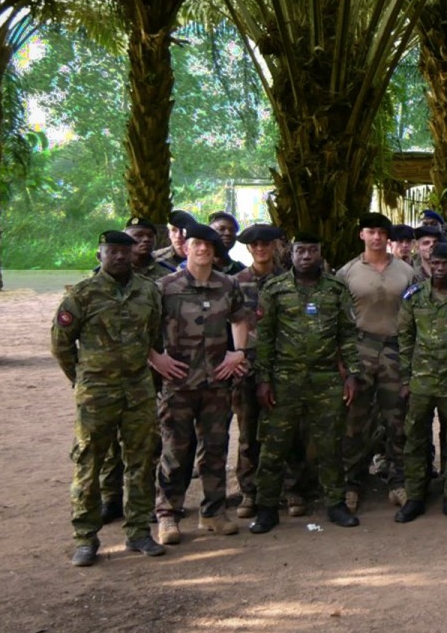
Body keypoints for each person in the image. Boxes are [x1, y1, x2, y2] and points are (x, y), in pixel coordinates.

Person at [52, 230, 169, 566]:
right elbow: (61, 344)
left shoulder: (147, 291)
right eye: (112, 251)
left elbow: (154, 337)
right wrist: (82, 378)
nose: (119, 256)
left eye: (124, 251)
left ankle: (138, 532)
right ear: (99, 254)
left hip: (137, 389)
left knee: (142, 460)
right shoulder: (83, 294)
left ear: (133, 255)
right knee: (89, 462)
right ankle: (86, 538)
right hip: (96, 393)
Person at [248, 233, 364, 534]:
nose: (306, 256)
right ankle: (266, 508)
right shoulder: (275, 289)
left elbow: (348, 335)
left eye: (312, 250)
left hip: (326, 378)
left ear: (320, 254)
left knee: (330, 444)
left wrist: (352, 374)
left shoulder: (336, 289)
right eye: (301, 250)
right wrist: (263, 379)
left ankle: (336, 504)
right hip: (285, 377)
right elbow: (265, 338)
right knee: (275, 445)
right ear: (291, 254)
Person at [149, 223, 253, 545]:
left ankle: (213, 513)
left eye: (209, 246)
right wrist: (156, 359)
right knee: (174, 453)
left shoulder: (228, 285)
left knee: (215, 451)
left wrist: (238, 353)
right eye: (197, 244)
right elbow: (143, 329)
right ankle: (168, 515)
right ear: (186, 247)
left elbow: (239, 318)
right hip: (179, 384)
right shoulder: (165, 287)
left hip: (216, 384)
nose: (203, 250)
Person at [335, 212, 417, 511]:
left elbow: (415, 315)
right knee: (356, 419)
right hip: (361, 348)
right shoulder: (347, 273)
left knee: (397, 419)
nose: (377, 237)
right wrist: (343, 364)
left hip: (395, 350)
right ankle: (351, 483)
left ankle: (398, 482)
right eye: (370, 231)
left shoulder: (407, 272)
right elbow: (339, 321)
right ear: (362, 235)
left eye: (382, 232)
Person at [395, 244, 447, 524]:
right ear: (428, 263)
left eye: (446, 265)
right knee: (415, 439)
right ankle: (415, 496)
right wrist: (406, 379)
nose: (440, 269)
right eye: (436, 263)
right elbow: (404, 339)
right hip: (421, 382)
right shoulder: (414, 297)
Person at [231, 224, 292, 518]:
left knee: (285, 430)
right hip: (248, 364)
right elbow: (228, 323)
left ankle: (288, 489)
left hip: (283, 363)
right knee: (248, 432)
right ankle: (249, 492)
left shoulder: (289, 281)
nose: (260, 249)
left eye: (265, 243)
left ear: (275, 246)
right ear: (248, 248)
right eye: (255, 245)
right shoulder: (236, 282)